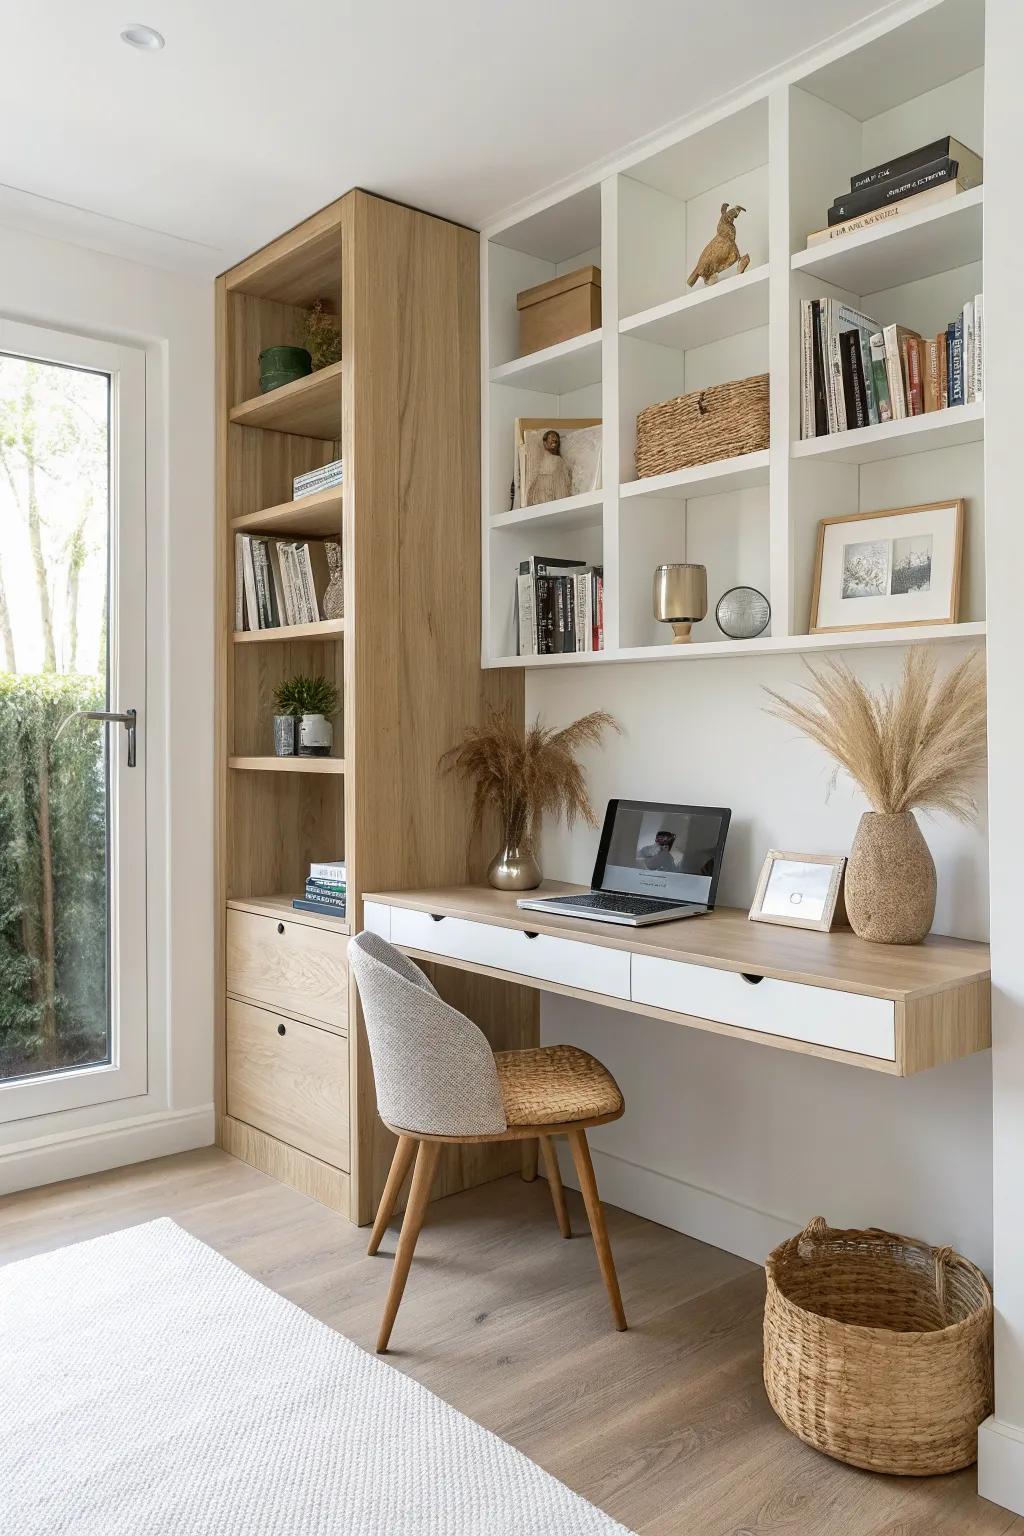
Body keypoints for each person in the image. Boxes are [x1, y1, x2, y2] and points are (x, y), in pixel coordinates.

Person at [526, 428, 573, 506]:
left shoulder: (559, 461)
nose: (554, 440)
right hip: (543, 494)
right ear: (544, 443)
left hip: (557, 495)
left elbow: (565, 482)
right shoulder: (541, 461)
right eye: (551, 437)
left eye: (556, 441)